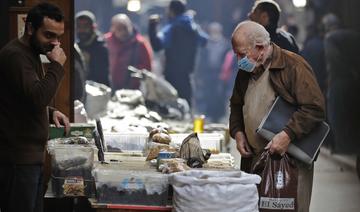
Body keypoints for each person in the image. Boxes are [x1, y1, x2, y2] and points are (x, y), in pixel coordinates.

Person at [229, 21, 325, 211]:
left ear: (260, 48)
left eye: (242, 54)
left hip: (289, 162)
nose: (239, 60)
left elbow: (314, 108)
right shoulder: (245, 71)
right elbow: (236, 104)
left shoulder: (294, 66)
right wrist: (238, 132)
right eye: (236, 55)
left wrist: (287, 135)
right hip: (254, 159)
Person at [0, 2, 70, 212]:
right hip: (17, 160)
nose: (55, 43)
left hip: (29, 159)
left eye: (58, 37)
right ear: (30, 28)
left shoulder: (30, 53)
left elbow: (23, 98)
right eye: (49, 35)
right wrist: (57, 66)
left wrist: (50, 112)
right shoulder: (16, 55)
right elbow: (37, 97)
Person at [148, 0, 208, 106]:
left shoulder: (171, 27)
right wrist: (191, 20)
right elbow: (204, 41)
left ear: (171, 11)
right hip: (187, 75)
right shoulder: (193, 27)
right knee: (186, 106)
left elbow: (157, 45)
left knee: (172, 108)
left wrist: (152, 27)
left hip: (172, 75)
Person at [105, 13, 152, 91]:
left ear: (130, 26)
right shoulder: (106, 42)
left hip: (133, 90)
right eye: (119, 29)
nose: (123, 32)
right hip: (109, 87)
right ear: (113, 29)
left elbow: (147, 67)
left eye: (125, 28)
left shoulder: (140, 44)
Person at [194, 22, 230, 122]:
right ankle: (209, 114)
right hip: (208, 74)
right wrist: (200, 74)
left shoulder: (225, 44)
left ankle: (219, 116)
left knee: (219, 94)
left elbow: (229, 61)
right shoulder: (206, 43)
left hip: (221, 74)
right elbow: (201, 60)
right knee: (209, 94)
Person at [76, 10, 110, 86]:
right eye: (79, 26)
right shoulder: (77, 47)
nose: (82, 30)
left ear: (93, 27)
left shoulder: (101, 47)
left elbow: (100, 77)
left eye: (85, 26)